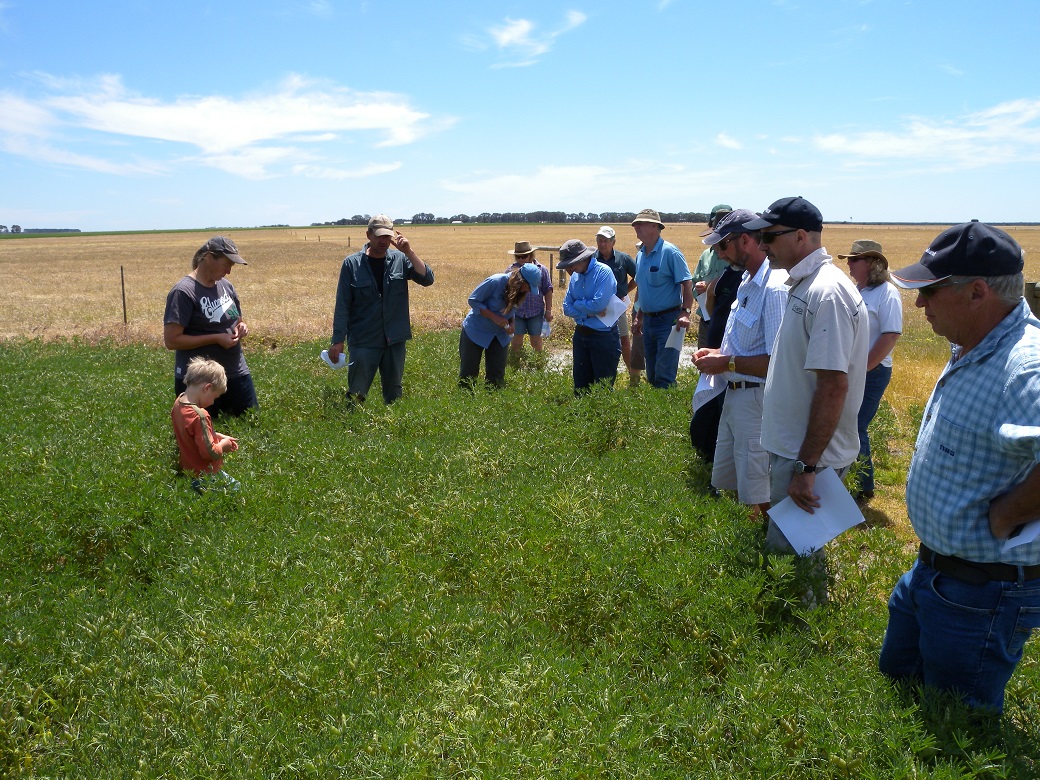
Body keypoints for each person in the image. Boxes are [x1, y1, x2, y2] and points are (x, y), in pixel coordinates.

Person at [878, 222, 1040, 713]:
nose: (920, 303)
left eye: (930, 290)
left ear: (977, 292)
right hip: (935, 573)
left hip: (982, 592)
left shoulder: (1025, 365)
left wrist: (1008, 512)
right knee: (900, 685)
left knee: (957, 729)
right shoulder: (974, 345)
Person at [745, 197, 867, 600]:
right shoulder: (806, 285)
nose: (763, 245)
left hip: (807, 457)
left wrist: (807, 465)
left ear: (801, 236)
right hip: (794, 450)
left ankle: (797, 641)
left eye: (769, 236)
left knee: (791, 558)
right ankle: (801, 630)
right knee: (799, 555)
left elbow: (834, 386)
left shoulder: (828, 294)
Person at [693, 209, 788, 516]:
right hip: (735, 395)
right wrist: (717, 354)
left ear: (745, 240)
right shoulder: (747, 281)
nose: (718, 254)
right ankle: (747, 540)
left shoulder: (773, 289)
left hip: (756, 401)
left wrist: (727, 363)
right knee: (734, 480)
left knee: (758, 488)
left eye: (722, 246)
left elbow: (777, 362)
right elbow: (745, 344)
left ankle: (767, 550)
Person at [329, 215, 434, 405]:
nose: (384, 241)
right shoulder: (352, 264)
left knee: (394, 393)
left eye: (388, 236)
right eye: (379, 236)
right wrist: (338, 340)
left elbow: (427, 279)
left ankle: (393, 429)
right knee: (357, 392)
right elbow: (342, 305)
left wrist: (409, 252)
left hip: (394, 338)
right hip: (363, 339)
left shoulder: (400, 259)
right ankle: (353, 427)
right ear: (368, 235)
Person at [837, 240, 903, 501]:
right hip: (852, 369)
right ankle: (849, 480)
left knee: (855, 425)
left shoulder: (887, 292)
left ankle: (863, 487)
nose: (849, 264)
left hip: (872, 372)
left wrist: (864, 366)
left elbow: (890, 335)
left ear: (872, 264)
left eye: (854, 259)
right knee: (846, 423)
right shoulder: (857, 291)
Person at [164, 236, 257, 417]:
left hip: (235, 372)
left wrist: (242, 327)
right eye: (226, 264)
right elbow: (171, 340)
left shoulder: (226, 286)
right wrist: (215, 338)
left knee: (249, 424)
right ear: (208, 257)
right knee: (203, 438)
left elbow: (237, 319)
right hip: (200, 382)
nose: (229, 271)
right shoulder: (183, 291)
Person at [631, 209, 694, 389]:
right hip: (649, 322)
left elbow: (686, 285)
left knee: (664, 375)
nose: (636, 227)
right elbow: (644, 290)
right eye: (635, 224)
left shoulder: (670, 252)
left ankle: (668, 412)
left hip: (668, 321)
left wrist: (686, 312)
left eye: (640, 223)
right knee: (651, 374)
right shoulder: (640, 255)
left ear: (654, 226)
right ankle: (655, 413)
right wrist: (639, 317)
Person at [459, 264, 542, 388]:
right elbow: (473, 300)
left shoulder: (520, 293)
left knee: (496, 379)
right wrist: (494, 317)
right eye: (529, 287)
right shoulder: (495, 281)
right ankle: (465, 403)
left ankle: (492, 403)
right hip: (476, 331)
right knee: (468, 376)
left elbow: (510, 311)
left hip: (500, 336)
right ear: (520, 281)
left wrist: (512, 323)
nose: (529, 290)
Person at [558, 239, 621, 393]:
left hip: (603, 337)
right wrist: (590, 309)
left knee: (602, 387)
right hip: (580, 335)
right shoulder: (575, 277)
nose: (570, 267)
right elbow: (566, 308)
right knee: (580, 386)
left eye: (572, 263)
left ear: (584, 258)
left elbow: (598, 305)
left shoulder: (603, 272)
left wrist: (579, 304)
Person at [171, 357, 240, 493]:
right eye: (214, 397)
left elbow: (191, 434)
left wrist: (215, 435)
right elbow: (210, 453)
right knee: (236, 488)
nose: (213, 402)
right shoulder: (200, 415)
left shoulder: (178, 404)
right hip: (205, 475)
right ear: (207, 388)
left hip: (188, 471)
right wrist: (223, 445)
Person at [592, 226, 639, 385]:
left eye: (605, 241)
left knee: (624, 341)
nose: (602, 244)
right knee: (598, 341)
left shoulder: (623, 258)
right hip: (597, 308)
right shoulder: (591, 259)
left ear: (613, 242)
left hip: (617, 307)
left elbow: (639, 276)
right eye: (600, 241)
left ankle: (633, 378)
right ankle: (600, 378)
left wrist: (626, 291)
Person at [504, 241, 553, 362]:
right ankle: (515, 365)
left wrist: (548, 311)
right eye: (518, 256)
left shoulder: (542, 270)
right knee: (516, 342)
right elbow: (506, 293)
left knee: (536, 342)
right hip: (517, 313)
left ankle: (538, 365)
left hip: (536, 312)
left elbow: (548, 290)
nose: (521, 259)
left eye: (524, 256)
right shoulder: (510, 271)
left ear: (531, 255)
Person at [693, 204, 733, 347]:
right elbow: (693, 284)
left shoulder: (737, 257)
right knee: (703, 362)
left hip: (729, 320)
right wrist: (697, 288)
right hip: (706, 320)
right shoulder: (706, 255)